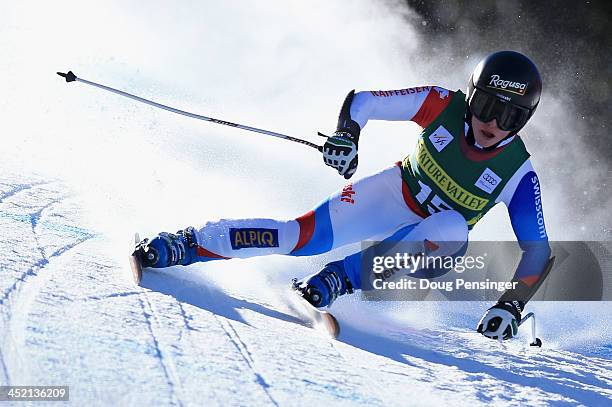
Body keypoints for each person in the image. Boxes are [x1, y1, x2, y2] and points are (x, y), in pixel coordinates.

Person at [133, 50, 553, 341]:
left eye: (510, 115)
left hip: (436, 249)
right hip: (394, 192)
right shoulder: (440, 103)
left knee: (449, 224)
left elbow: (537, 251)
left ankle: (340, 278)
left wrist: (510, 306)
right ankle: (185, 244)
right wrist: (347, 136)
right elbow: (363, 102)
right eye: (485, 106)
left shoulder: (518, 171)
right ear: (470, 96)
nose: (493, 123)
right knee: (297, 236)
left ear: (524, 120)